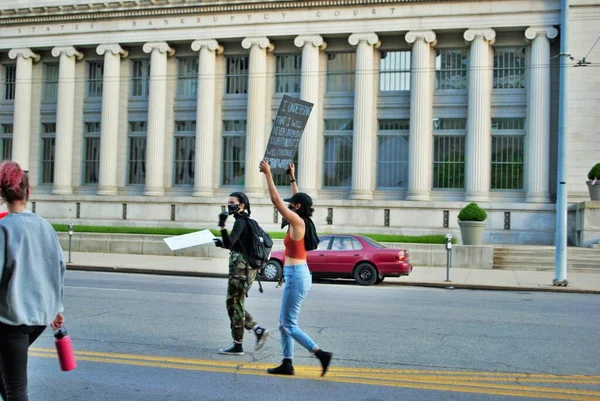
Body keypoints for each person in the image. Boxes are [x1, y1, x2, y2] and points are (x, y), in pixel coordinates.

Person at [258, 161, 333, 376]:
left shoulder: (298, 222)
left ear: (297, 207)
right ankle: (287, 363)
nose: (289, 205)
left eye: (293, 204)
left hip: (297, 275)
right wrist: (292, 177)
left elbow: (276, 200)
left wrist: (268, 174)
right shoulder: (304, 219)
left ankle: (320, 354)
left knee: (288, 324)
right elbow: (298, 198)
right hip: (297, 273)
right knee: (284, 323)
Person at [0, 162, 66, 401]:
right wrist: (57, 308)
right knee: (6, 375)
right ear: (28, 192)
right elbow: (59, 269)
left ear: (2, 193)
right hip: (40, 317)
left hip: (11, 321)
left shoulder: (4, 228)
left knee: (16, 390)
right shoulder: (45, 227)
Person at [214, 191, 269, 355]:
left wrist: (222, 225)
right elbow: (238, 243)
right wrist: (221, 243)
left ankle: (238, 344)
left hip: (240, 270)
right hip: (248, 269)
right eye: (228, 202)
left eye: (232, 202)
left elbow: (231, 243)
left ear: (242, 205)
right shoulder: (249, 222)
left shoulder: (240, 222)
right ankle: (257, 330)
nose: (229, 205)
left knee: (235, 304)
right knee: (233, 303)